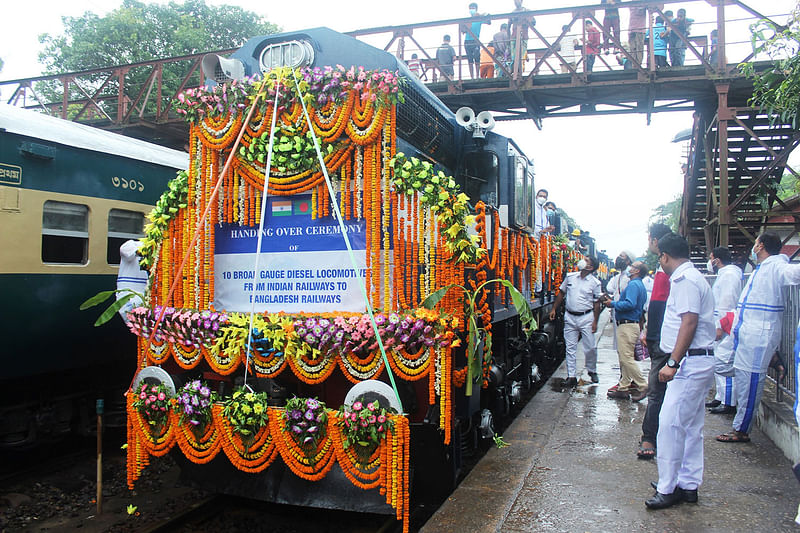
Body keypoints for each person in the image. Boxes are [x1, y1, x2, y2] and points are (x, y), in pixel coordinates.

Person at [645, 233, 717, 509]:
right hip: (696, 361)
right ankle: (688, 485)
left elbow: (689, 322)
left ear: (664, 256)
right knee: (691, 427)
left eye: (659, 257)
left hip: (689, 363)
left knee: (671, 425)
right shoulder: (692, 278)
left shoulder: (685, 281)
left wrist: (672, 363)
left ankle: (668, 487)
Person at [715, 233, 800, 443]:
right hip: (747, 332)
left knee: (749, 383)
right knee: (725, 367)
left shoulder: (776, 267)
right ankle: (772, 359)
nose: (754, 247)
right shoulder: (760, 269)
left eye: (755, 243)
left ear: (760, 246)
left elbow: (793, 273)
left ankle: (741, 430)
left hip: (759, 335)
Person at [637, 223, 673, 460]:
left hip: (663, 341)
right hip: (670, 339)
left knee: (657, 391)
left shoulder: (664, 270)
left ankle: (649, 436)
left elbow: (659, 306)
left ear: (654, 241)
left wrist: (650, 336)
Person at [549, 256, 603, 387]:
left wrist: (595, 321)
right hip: (570, 316)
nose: (583, 260)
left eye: (587, 260)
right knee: (570, 347)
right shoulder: (570, 277)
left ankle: (592, 370)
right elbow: (561, 293)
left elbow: (597, 304)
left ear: (590, 267)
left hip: (586, 317)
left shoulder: (595, 283)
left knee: (590, 347)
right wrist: (554, 309)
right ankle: (571, 376)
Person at [706, 247, 742, 415]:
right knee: (719, 361)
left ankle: (729, 402)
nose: (709, 261)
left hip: (726, 324)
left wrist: (720, 326)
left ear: (717, 260)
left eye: (711, 258)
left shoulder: (729, 275)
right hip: (720, 323)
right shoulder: (724, 274)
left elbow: (726, 303)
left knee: (724, 361)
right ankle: (721, 397)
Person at [605, 261, 649, 401]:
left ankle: (643, 385)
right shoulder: (639, 285)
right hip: (631, 324)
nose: (630, 269)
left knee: (626, 358)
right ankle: (623, 387)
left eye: (633, 267)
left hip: (627, 325)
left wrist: (612, 303)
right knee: (624, 356)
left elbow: (630, 304)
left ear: (636, 271)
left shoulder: (633, 285)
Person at [462, 3, 489, 79]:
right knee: (470, 60)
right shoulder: (467, 20)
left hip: (475, 40)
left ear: (476, 9)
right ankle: (472, 77)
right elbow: (463, 31)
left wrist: (482, 15)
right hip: (467, 41)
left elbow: (488, 21)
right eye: (470, 8)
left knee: (477, 59)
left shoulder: (479, 18)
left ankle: (477, 76)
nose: (471, 10)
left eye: (473, 8)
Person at [509, 0, 536, 77]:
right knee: (514, 56)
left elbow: (533, 22)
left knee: (522, 55)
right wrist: (508, 39)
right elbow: (508, 26)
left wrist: (526, 20)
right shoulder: (512, 13)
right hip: (513, 37)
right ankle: (515, 71)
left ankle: (518, 72)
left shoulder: (526, 11)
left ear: (521, 1)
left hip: (523, 36)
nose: (516, 2)